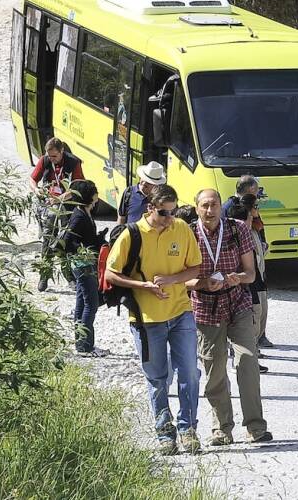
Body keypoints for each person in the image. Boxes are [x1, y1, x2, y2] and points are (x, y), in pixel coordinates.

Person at [105, 185, 204, 454]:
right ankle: (164, 431)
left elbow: (195, 266)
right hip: (146, 318)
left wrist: (173, 280)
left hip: (181, 311)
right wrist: (145, 287)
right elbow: (110, 274)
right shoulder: (131, 234)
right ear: (150, 208)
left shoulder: (181, 229)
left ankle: (188, 428)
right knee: (158, 377)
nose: (169, 218)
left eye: (172, 212)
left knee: (190, 373)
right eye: (163, 213)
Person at [188, 189, 271, 445]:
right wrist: (202, 283)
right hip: (205, 306)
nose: (210, 210)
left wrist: (239, 278)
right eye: (204, 205)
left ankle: (256, 427)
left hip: (237, 301)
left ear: (220, 206)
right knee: (214, 369)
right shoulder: (188, 233)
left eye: (214, 205)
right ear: (197, 207)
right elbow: (181, 279)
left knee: (247, 360)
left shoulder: (237, 229)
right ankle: (222, 429)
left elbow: (251, 274)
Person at [224, 175, 273, 349]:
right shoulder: (231, 208)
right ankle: (248, 344)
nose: (259, 195)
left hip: (257, 264)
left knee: (260, 304)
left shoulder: (252, 209)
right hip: (243, 270)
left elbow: (260, 229)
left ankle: (260, 337)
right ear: (247, 190)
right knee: (252, 307)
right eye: (256, 191)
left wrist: (263, 243)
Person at [29, 137, 85, 291]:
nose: (51, 159)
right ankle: (44, 275)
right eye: (49, 156)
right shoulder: (45, 160)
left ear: (62, 152)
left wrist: (60, 198)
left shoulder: (74, 163)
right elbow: (32, 179)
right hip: (49, 207)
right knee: (48, 240)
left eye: (54, 156)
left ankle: (69, 276)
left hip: (66, 206)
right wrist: (37, 190)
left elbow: (78, 187)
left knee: (65, 241)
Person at [61, 180, 106, 357]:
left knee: (81, 303)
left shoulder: (84, 211)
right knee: (91, 305)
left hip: (82, 264)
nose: (97, 196)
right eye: (94, 193)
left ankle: (80, 344)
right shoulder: (79, 216)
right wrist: (83, 254)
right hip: (83, 266)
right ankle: (86, 346)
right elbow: (68, 240)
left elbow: (85, 238)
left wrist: (97, 239)